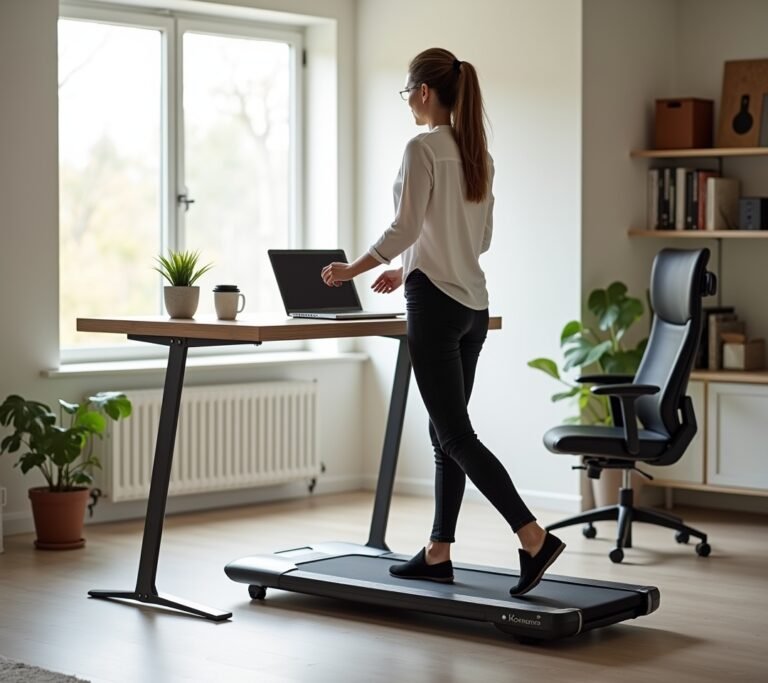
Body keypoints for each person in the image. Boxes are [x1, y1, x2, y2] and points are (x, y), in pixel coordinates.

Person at [320, 47, 564, 596]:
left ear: (424, 91)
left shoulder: (421, 146)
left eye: (407, 91)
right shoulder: (478, 152)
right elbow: (479, 240)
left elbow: (406, 226)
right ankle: (438, 552)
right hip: (472, 307)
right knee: (445, 434)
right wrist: (408, 268)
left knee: (454, 434)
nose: (407, 101)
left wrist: (353, 269)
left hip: (433, 305)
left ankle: (533, 538)